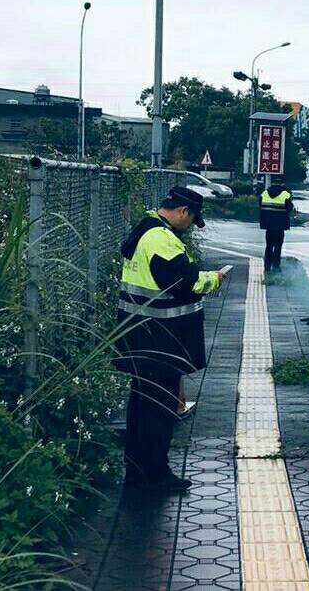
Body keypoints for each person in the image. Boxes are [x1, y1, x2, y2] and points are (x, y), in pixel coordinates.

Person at [114, 185, 223, 492]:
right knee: (159, 410)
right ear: (182, 212)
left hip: (139, 334)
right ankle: (156, 474)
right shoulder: (161, 240)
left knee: (140, 404)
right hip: (159, 339)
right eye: (192, 219)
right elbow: (184, 283)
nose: (190, 226)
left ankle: (136, 470)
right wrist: (214, 279)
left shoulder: (145, 230)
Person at [258, 178, 294, 272]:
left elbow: (260, 205)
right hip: (280, 225)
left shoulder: (265, 193)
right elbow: (289, 208)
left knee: (269, 245)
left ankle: (267, 266)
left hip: (268, 225)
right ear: (282, 184)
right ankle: (276, 266)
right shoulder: (285, 194)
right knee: (278, 245)